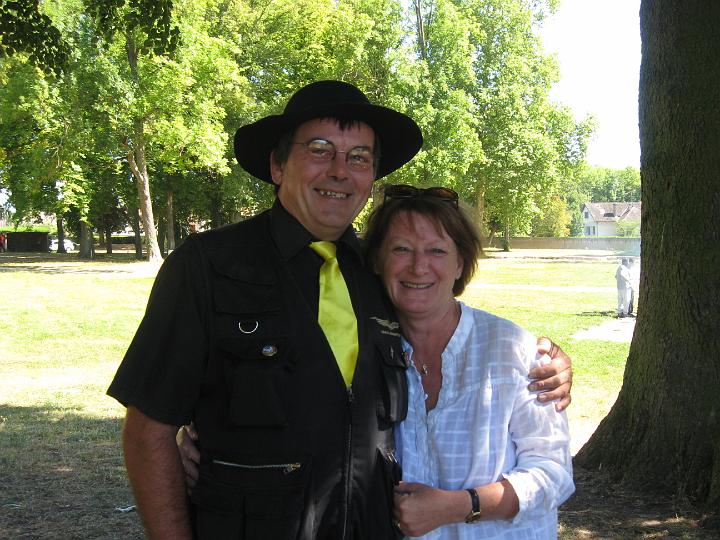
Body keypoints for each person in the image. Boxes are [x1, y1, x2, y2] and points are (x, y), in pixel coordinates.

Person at [109, 80, 572, 540]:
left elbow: (441, 322)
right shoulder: (208, 267)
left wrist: (544, 357)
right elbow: (148, 430)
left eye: (359, 158)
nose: (339, 171)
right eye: (320, 150)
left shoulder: (376, 273)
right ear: (277, 165)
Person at [363, 185, 574, 538]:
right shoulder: (362, 352)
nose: (418, 266)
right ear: (377, 261)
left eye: (436, 250)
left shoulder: (514, 351)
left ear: (460, 263)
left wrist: (459, 505)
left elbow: (553, 473)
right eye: (401, 249)